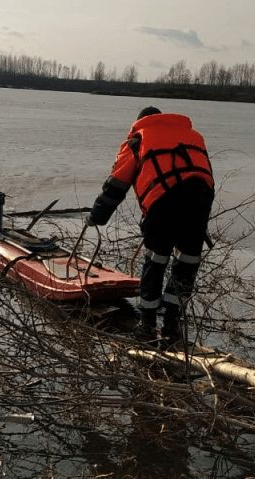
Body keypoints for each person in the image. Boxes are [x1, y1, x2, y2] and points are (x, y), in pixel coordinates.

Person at [86, 106, 215, 345]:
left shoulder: (138, 140)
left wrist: (96, 216)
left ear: (141, 122)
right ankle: (172, 326)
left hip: (164, 202)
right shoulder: (194, 136)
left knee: (156, 261)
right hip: (200, 201)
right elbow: (201, 173)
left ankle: (147, 327)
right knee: (186, 264)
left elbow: (116, 186)